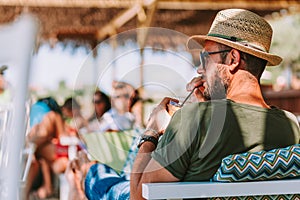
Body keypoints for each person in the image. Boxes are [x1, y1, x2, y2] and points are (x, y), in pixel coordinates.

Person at [65, 9, 300, 200]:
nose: (198, 69)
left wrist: (152, 130)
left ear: (233, 59)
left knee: (90, 171)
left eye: (205, 59)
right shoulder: (290, 126)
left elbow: (139, 196)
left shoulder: (195, 118)